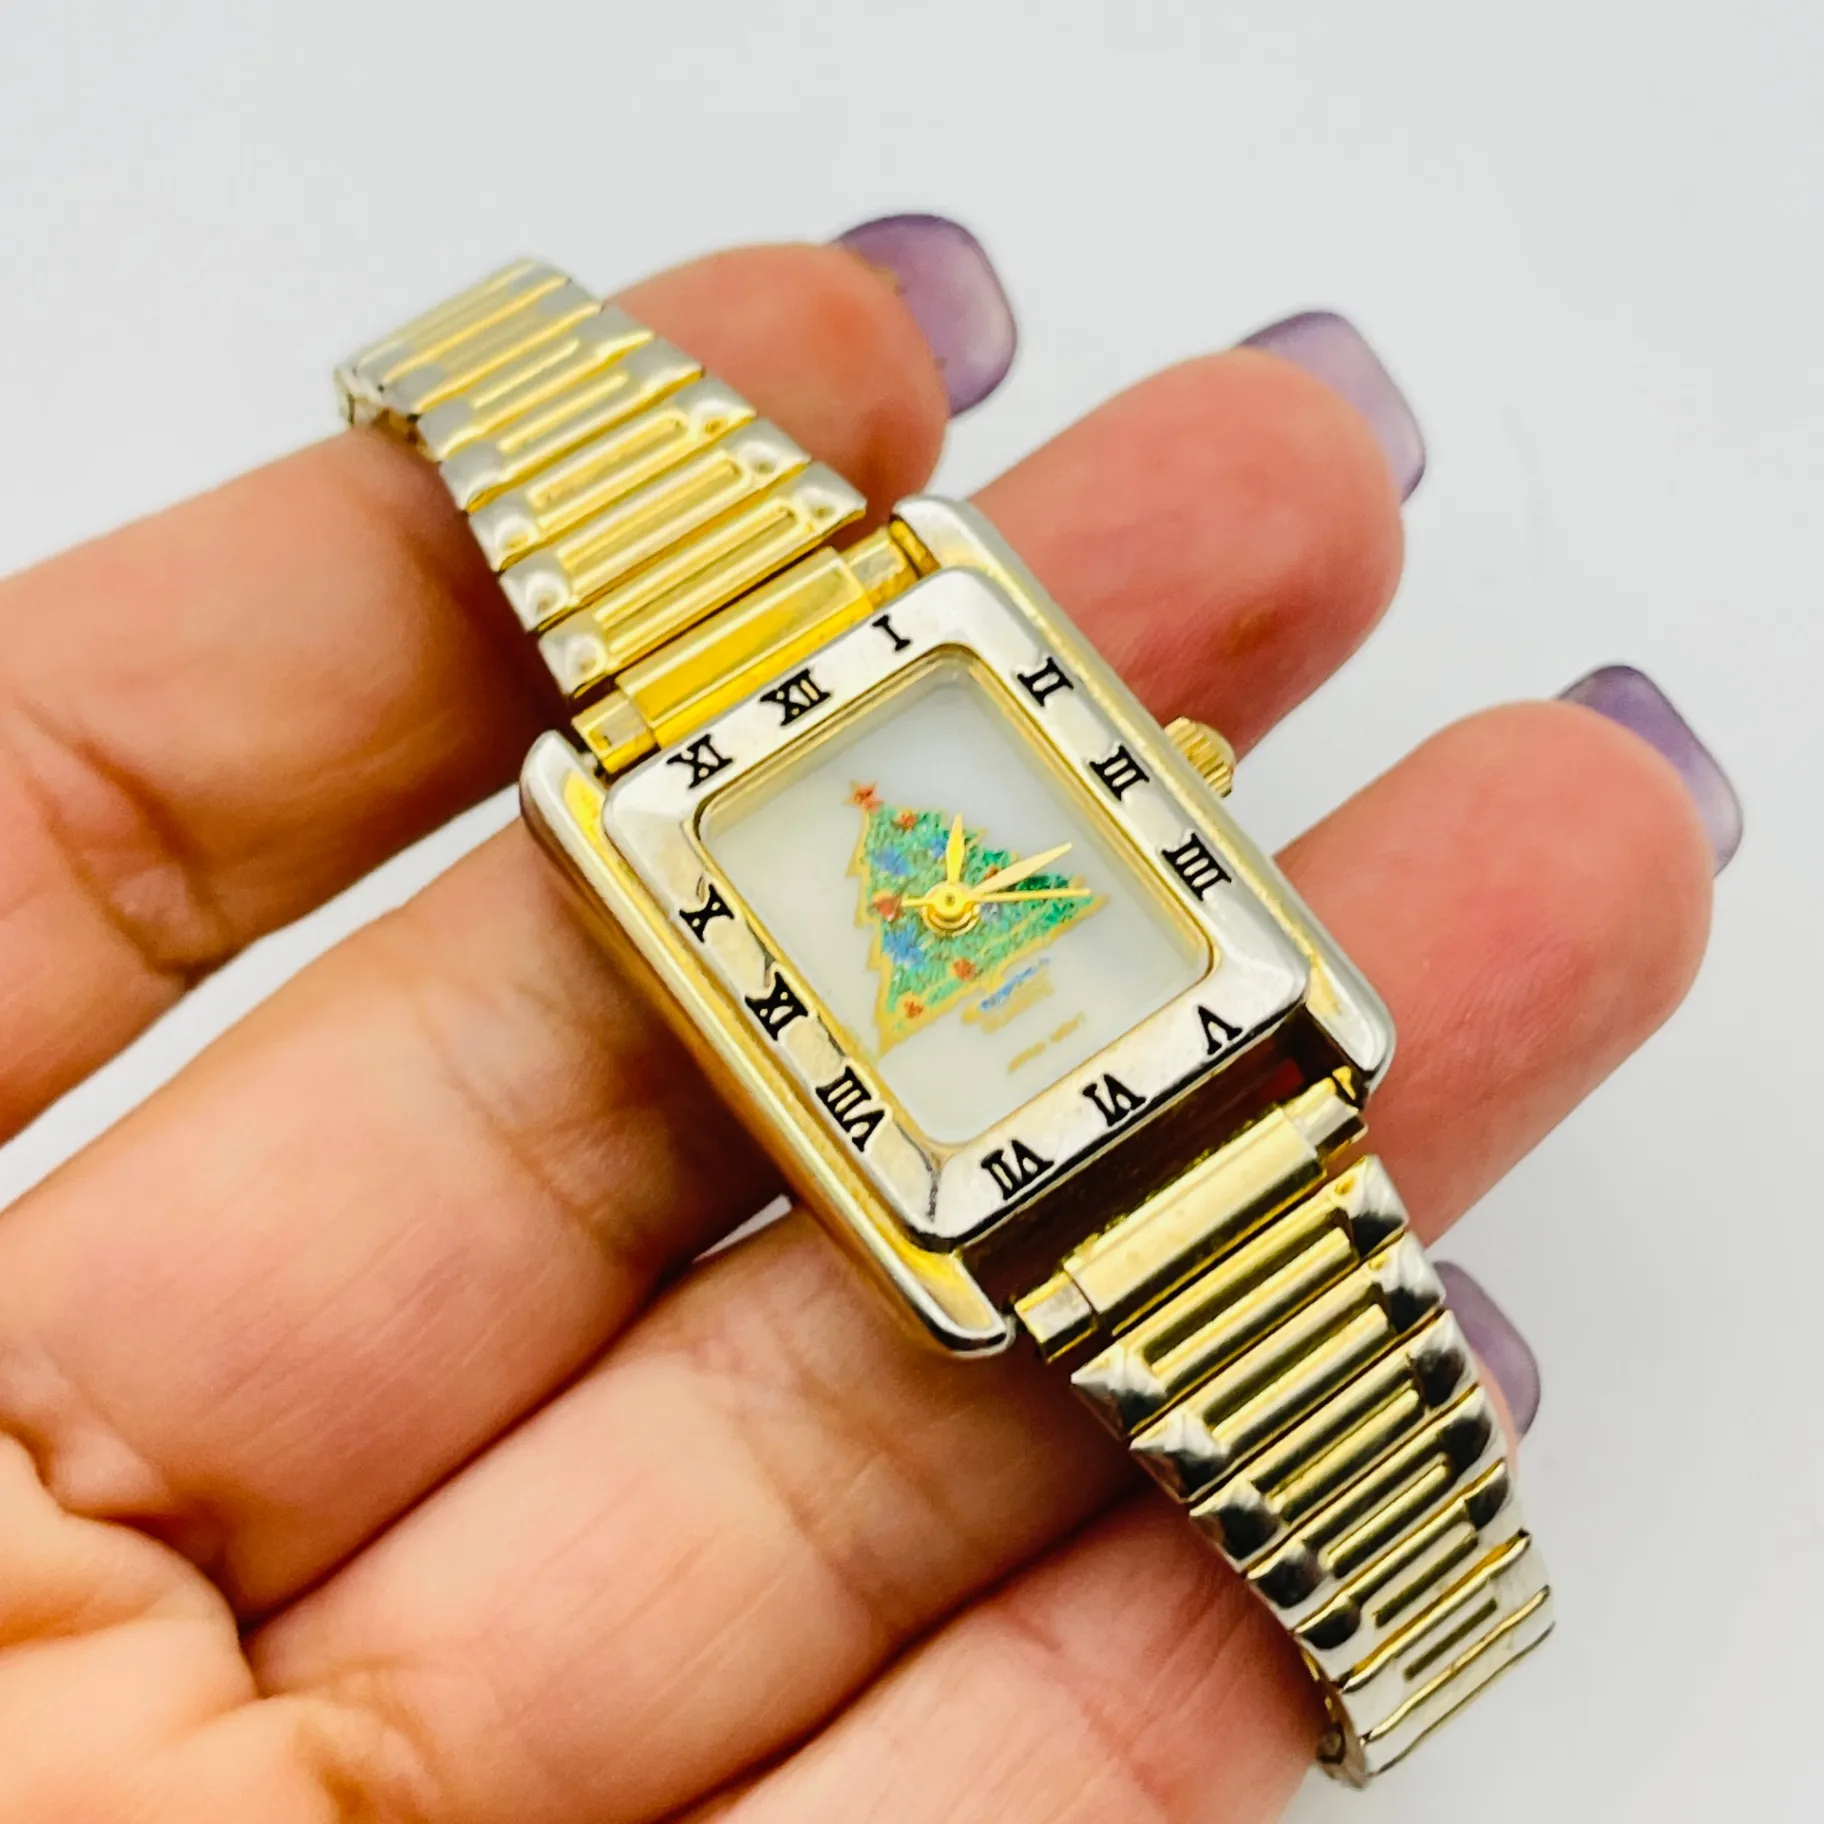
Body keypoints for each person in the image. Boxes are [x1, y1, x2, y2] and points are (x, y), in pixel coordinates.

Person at [0, 217, 1735, 1821]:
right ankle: (1423, 1609)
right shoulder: (759, 775)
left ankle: (1426, 1598)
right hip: (1097, 1151)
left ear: (1171, 785)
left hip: (1193, 1109)